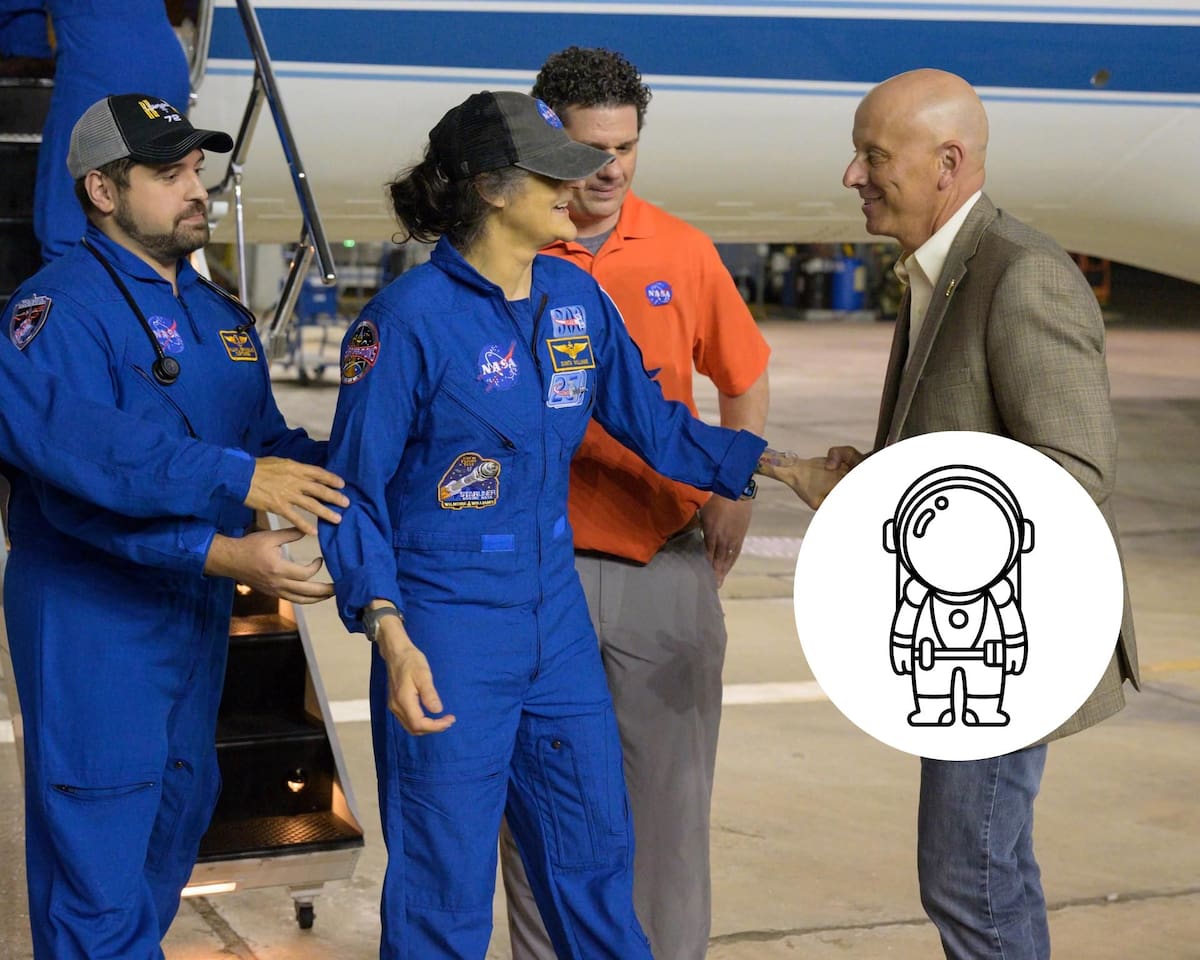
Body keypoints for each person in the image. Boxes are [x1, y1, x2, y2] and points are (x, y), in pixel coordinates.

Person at [318, 89, 832, 960]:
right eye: (553, 172)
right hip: (448, 625)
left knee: (594, 859)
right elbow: (353, 493)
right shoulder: (403, 325)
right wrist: (387, 629)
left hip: (552, 616)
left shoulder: (573, 301)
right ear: (489, 188)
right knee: (445, 890)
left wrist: (784, 468)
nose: (584, 181)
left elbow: (656, 424)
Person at [1, 92, 337, 959]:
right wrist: (227, 533)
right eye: (168, 173)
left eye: (197, 170)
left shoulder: (223, 321)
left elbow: (269, 443)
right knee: (100, 841)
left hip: (191, 617)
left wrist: (371, 458)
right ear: (102, 192)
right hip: (95, 621)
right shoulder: (55, 314)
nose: (197, 190)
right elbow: (85, 471)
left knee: (177, 812)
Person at [827, 68, 1139, 960]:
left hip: (1008, 643)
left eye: (873, 156)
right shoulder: (941, 268)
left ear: (948, 163)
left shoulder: (1020, 276)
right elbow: (963, 450)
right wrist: (873, 490)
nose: (853, 176)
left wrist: (926, 529)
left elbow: (1072, 474)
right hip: (965, 634)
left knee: (971, 879)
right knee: (984, 870)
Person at [498, 46, 771, 960]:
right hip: (541, 572)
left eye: (626, 145)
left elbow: (744, 373)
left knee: (668, 817)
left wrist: (732, 504)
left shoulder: (683, 251)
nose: (611, 167)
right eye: (592, 146)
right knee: (539, 814)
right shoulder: (512, 251)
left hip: (664, 566)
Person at [34, 0, 190, 260]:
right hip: (166, 62)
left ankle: (71, 294)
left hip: (99, 60)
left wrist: (27, 51)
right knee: (158, 206)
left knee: (70, 204)